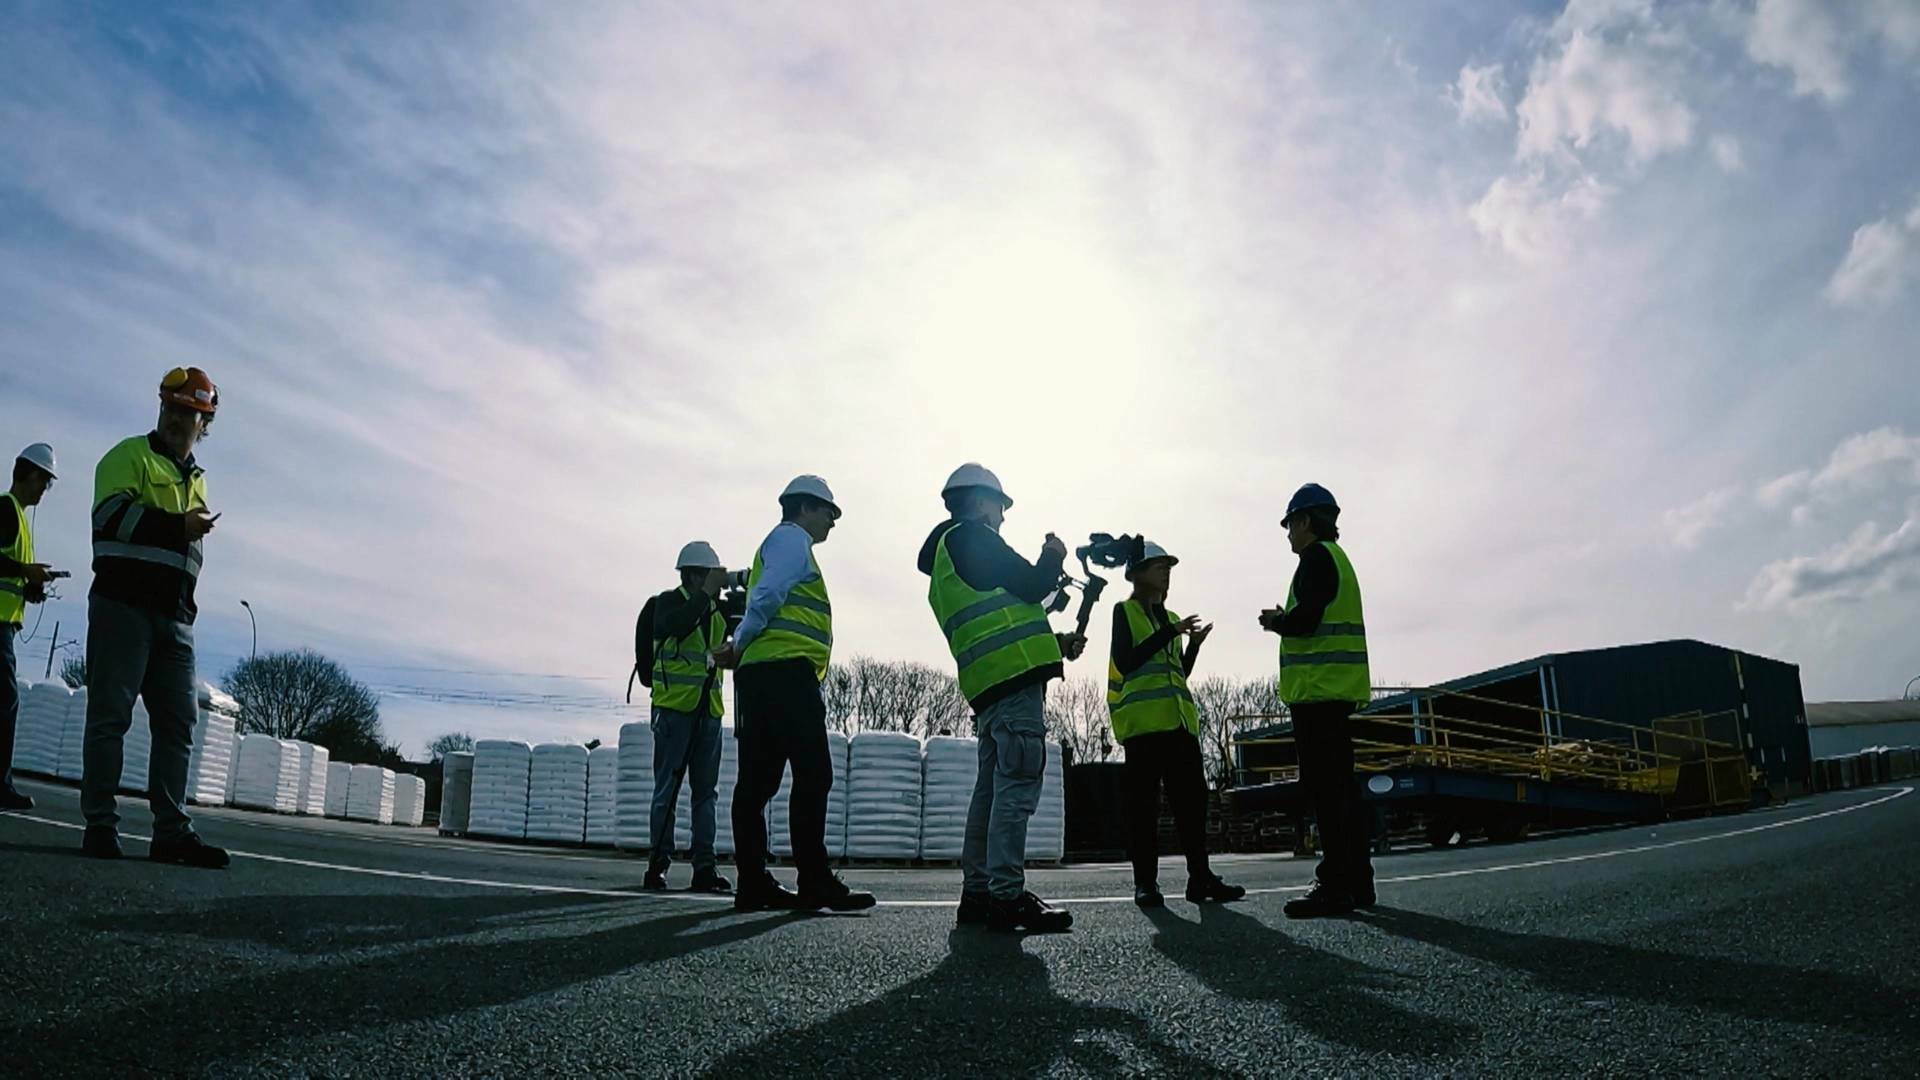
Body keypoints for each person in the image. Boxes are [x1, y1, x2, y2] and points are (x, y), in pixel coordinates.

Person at [918, 463, 1088, 933]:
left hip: (991, 687)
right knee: (1014, 793)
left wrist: (1053, 644)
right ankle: (1006, 897)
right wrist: (1053, 555)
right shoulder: (972, 537)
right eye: (1000, 506)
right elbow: (1033, 585)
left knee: (990, 795)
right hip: (1014, 688)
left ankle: (978, 895)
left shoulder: (947, 558)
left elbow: (1004, 613)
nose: (1004, 517)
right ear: (979, 501)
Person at [79, 367, 229, 868]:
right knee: (110, 716)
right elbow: (108, 520)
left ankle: (171, 833)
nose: (174, 418)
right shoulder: (128, 457)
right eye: (169, 407)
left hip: (175, 620)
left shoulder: (195, 483)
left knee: (178, 724)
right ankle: (100, 825)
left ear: (203, 424)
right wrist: (177, 527)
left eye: (187, 413)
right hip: (123, 607)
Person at [713, 476, 874, 913]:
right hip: (785, 675)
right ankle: (814, 880)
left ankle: (753, 883)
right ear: (805, 508)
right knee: (813, 774)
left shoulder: (779, 544)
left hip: (762, 678)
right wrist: (741, 641)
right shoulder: (790, 541)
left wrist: (744, 649)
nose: (833, 523)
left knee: (757, 783)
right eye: (830, 513)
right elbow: (766, 596)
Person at [1108, 540, 1245, 908]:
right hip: (1144, 729)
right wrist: (1171, 634)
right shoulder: (1125, 612)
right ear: (1136, 573)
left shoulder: (1172, 620)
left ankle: (1200, 879)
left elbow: (1178, 672)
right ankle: (1146, 884)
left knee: (1192, 806)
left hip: (1181, 727)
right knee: (1143, 808)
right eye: (1158, 565)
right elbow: (1126, 660)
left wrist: (1194, 646)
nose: (1166, 571)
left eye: (1168, 566)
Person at [1259, 483, 1371, 917]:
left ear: (1305, 521)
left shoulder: (1315, 558)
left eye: (1289, 525)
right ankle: (1357, 882)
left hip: (1318, 694)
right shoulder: (1338, 559)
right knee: (1342, 790)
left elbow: (1307, 619)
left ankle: (1336, 885)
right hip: (1334, 692)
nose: (1288, 534)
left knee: (1327, 792)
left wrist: (1277, 622)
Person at [642, 541, 736, 894]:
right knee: (667, 788)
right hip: (674, 710)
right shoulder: (667, 603)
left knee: (705, 794)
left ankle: (704, 868)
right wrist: (706, 596)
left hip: (708, 712)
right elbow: (678, 626)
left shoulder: (715, 611)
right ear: (695, 574)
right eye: (711, 576)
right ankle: (658, 865)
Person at [1, 443, 62, 812]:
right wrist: (25, 572)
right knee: (5, 705)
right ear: (28, 474)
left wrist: (31, 587)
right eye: (45, 480)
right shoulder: (5, 510)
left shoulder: (18, 517)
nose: (45, 489)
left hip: (5, 625)